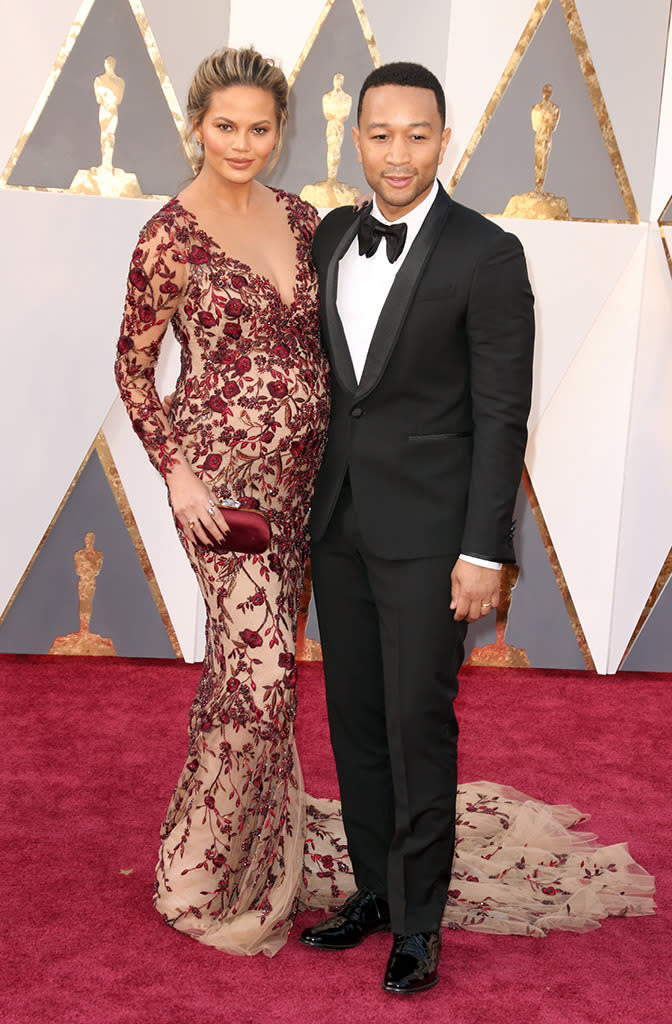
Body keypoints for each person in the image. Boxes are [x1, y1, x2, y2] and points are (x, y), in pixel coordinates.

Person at [299, 61, 536, 992]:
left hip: (435, 535)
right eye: (379, 134)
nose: (396, 154)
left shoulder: (487, 253)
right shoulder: (327, 238)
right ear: (355, 138)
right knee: (353, 718)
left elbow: (500, 414)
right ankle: (375, 891)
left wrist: (485, 549)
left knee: (414, 722)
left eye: (416, 135)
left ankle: (421, 924)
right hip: (339, 520)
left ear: (444, 139)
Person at [114, 47, 330, 957]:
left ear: (278, 132)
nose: (241, 142)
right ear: (196, 127)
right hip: (221, 489)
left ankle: (241, 854)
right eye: (224, 126)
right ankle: (198, 881)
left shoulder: (304, 218)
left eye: (258, 127)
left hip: (304, 482)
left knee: (247, 684)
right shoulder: (171, 233)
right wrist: (179, 474)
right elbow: (132, 366)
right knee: (267, 677)